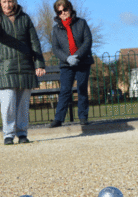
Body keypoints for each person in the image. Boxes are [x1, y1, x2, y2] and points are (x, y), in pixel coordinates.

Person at [0, 0, 46, 145]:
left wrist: (39, 63)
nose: (7, 5)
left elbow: (34, 42)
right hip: (6, 68)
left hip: (25, 66)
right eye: (4, 2)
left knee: (23, 105)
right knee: (7, 104)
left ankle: (22, 133)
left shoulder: (25, 18)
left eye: (10, 1)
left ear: (14, 2)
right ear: (0, 3)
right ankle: (8, 134)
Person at [49, 0, 94, 128]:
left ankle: (83, 117)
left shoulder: (81, 23)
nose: (63, 13)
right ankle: (58, 119)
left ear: (70, 9)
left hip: (82, 61)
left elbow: (88, 41)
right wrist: (67, 58)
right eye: (59, 12)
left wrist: (77, 56)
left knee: (82, 89)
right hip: (66, 64)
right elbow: (56, 48)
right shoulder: (56, 29)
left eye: (65, 10)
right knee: (65, 90)